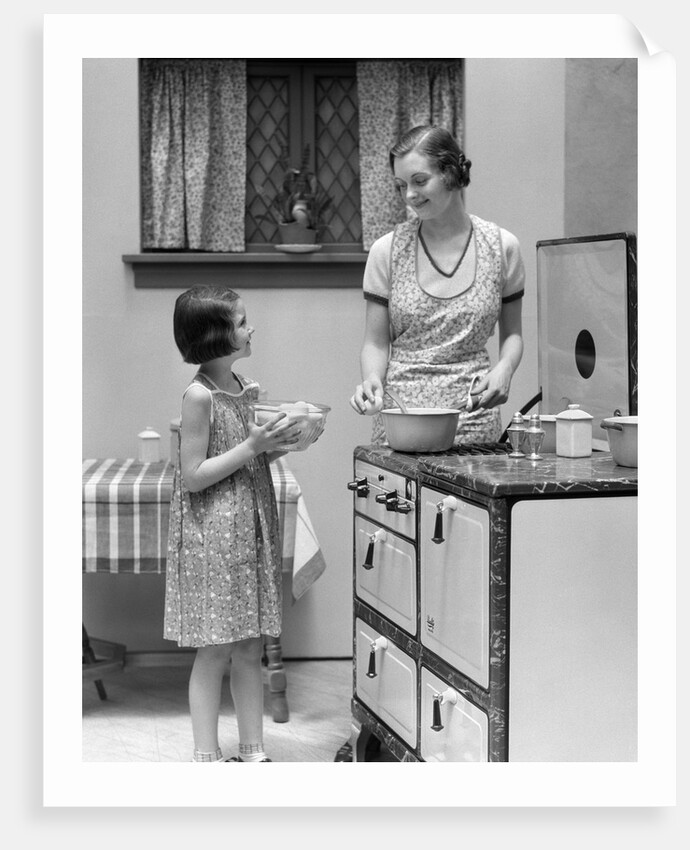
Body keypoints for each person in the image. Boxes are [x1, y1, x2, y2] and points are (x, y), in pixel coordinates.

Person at [164, 285, 301, 763]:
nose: (250, 329)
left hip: (251, 528)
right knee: (215, 648)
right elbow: (193, 476)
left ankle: (252, 749)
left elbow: (250, 457)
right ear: (216, 336)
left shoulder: (245, 388)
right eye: (242, 322)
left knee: (250, 646)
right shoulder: (198, 396)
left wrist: (287, 440)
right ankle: (206, 753)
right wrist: (253, 447)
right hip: (215, 536)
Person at [350, 125, 525, 445]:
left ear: (452, 174)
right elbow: (375, 342)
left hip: (474, 417)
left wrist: (505, 368)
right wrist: (371, 378)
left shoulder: (502, 247)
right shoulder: (386, 251)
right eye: (401, 185)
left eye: (419, 181)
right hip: (401, 420)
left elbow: (513, 334)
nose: (409, 196)